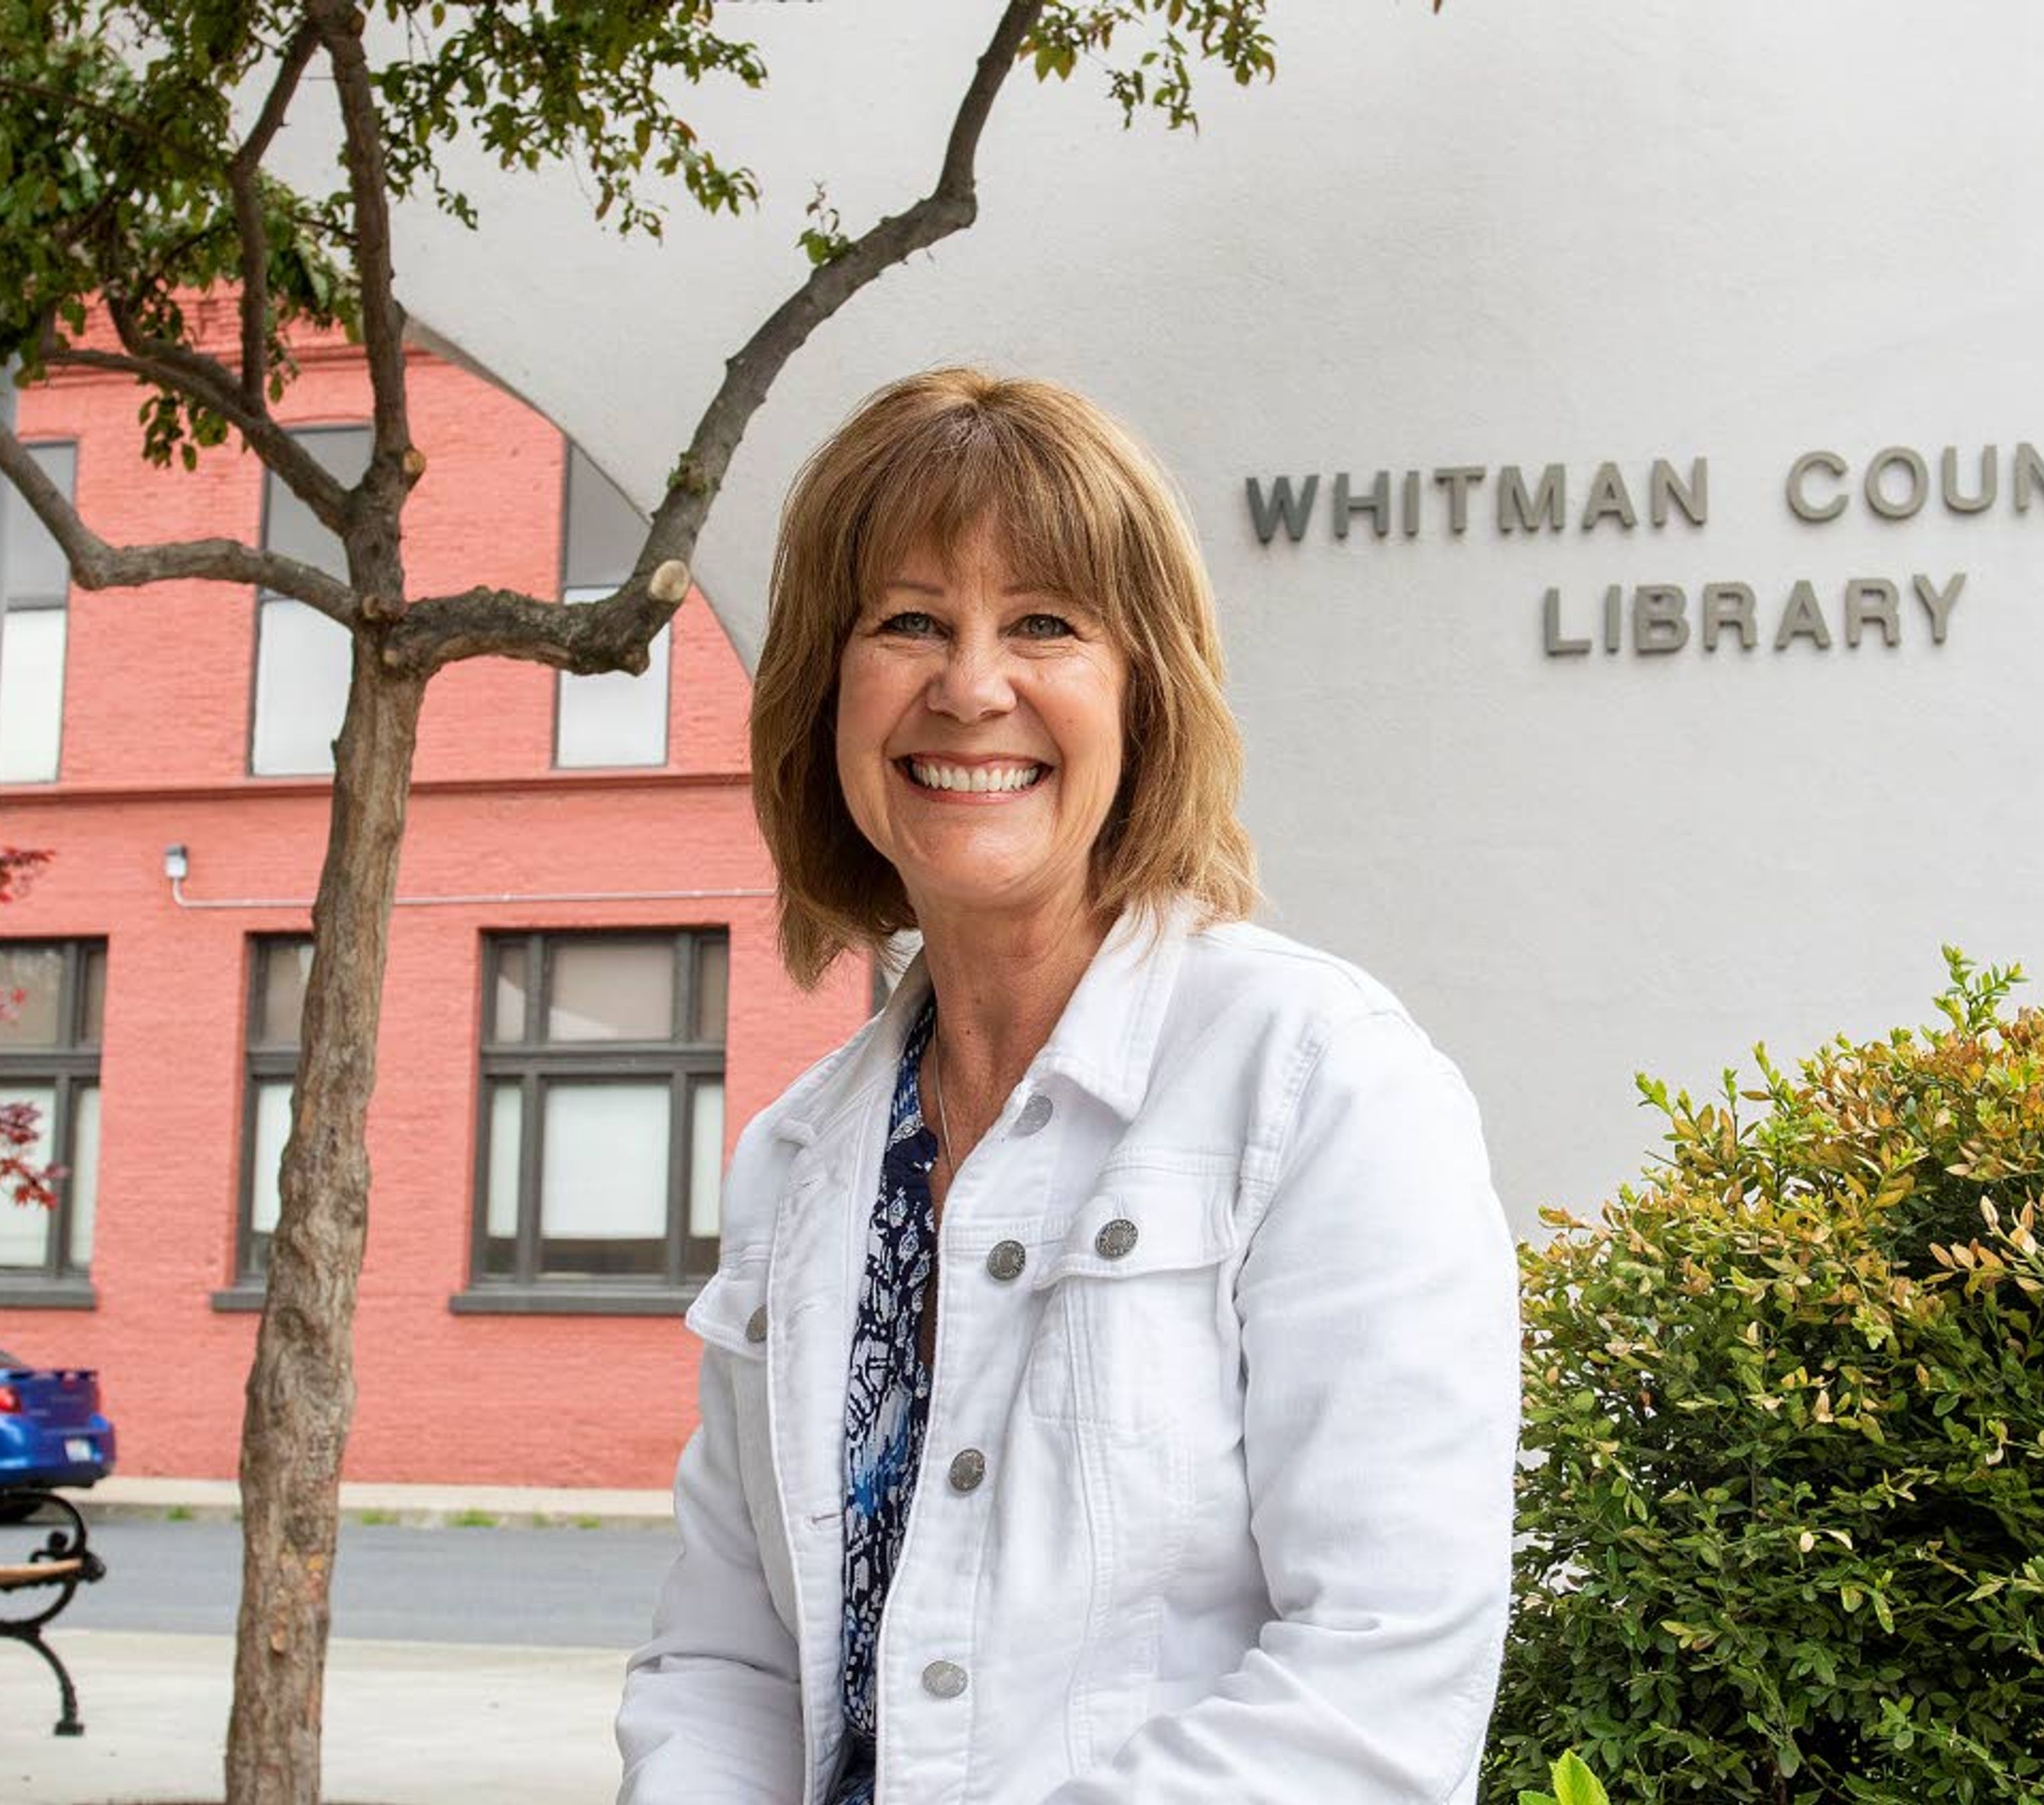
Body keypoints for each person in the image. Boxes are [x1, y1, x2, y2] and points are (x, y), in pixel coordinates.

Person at [615, 368, 1520, 1804]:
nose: (971, 686)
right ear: (827, 695)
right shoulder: (799, 1160)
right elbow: (727, 1664)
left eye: (1045, 623)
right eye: (909, 619)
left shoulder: (1321, 1083)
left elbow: (1380, 1671)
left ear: (1143, 690)